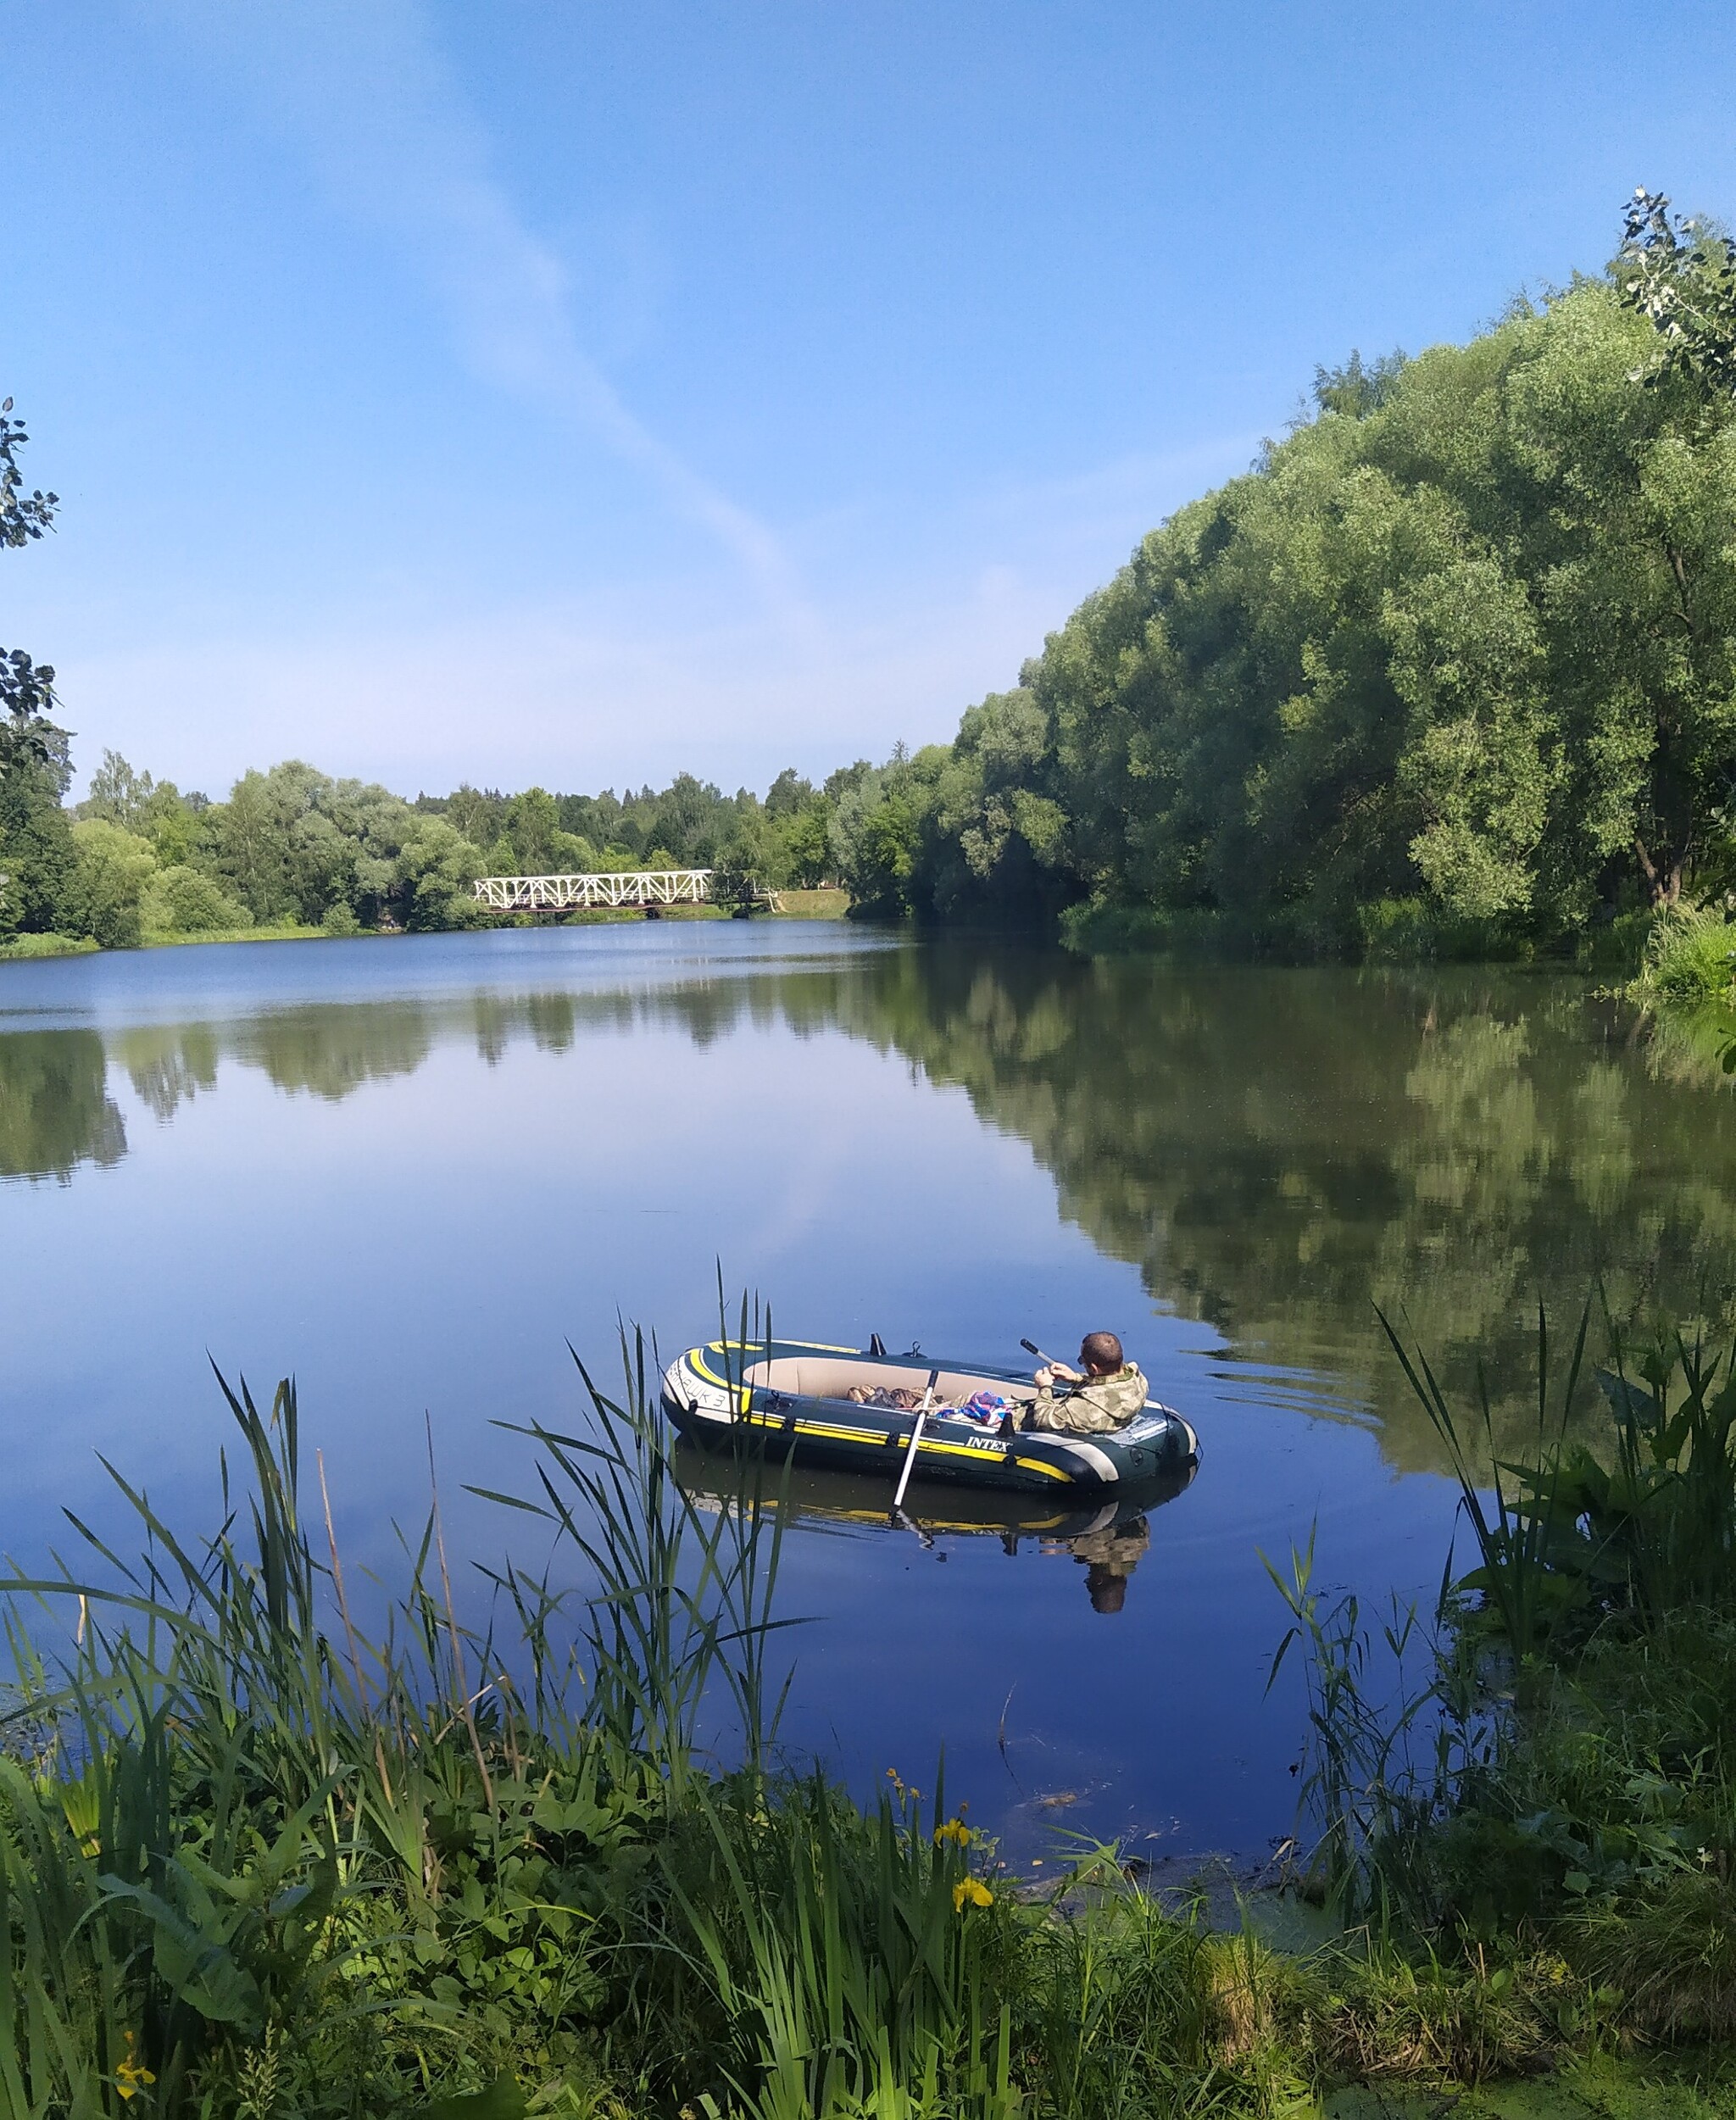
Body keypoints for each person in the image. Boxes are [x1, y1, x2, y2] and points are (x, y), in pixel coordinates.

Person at [1015, 1331, 1148, 1435]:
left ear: (1095, 1368)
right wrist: (1076, 1378)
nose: (1082, 1363)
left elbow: (1043, 1420)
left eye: (1082, 1361)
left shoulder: (1085, 1407)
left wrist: (1044, 1387)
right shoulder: (1138, 1380)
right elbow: (1110, 1387)